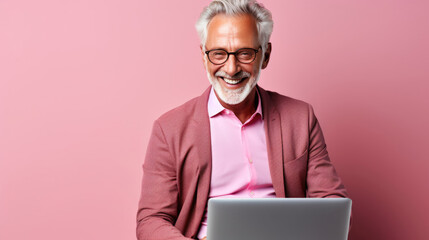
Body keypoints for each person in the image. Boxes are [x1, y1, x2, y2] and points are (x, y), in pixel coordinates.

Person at [136, 0, 348, 239]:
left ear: (265, 55)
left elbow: (332, 203)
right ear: (204, 57)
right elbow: (151, 221)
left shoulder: (301, 118)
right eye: (218, 54)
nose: (231, 68)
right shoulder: (169, 130)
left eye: (245, 53)